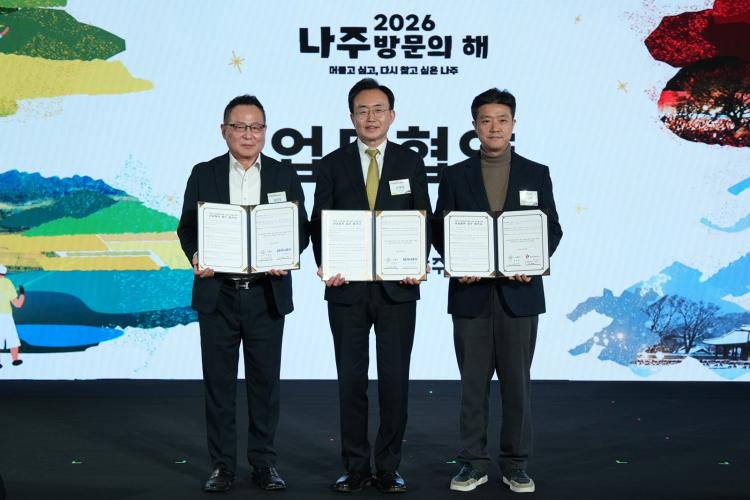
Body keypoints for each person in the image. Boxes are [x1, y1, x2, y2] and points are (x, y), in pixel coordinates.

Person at [177, 94, 309, 493]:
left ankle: (264, 464)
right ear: (224, 131)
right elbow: (187, 228)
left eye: (256, 127)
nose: (248, 134)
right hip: (218, 292)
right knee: (219, 386)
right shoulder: (204, 173)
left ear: (265, 131)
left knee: (264, 386)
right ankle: (222, 466)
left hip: (266, 293)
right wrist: (196, 255)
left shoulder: (284, 175)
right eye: (239, 126)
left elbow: (301, 229)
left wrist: (286, 254)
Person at [433, 88, 563, 494]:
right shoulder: (454, 175)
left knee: (517, 385)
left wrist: (532, 262)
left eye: (502, 120)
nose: (494, 127)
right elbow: (439, 228)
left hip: (519, 295)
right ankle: (473, 463)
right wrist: (458, 263)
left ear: (513, 124)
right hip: (470, 295)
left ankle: (516, 464)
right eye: (486, 120)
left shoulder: (536, 173)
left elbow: (552, 228)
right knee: (472, 386)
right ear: (474, 126)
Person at [310, 78, 431, 493]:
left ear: (392, 116)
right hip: (347, 289)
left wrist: (417, 263)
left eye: (379, 109)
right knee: (351, 381)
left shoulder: (411, 162)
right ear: (351, 117)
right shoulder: (332, 163)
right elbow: (319, 221)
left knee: (395, 381)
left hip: (398, 290)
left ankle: (388, 466)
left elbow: (423, 217)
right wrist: (327, 264)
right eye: (362, 110)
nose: (371, 117)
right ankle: (356, 466)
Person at [0, 264, 25, 369]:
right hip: (6, 316)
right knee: (12, 338)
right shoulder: (7, 283)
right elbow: (18, 304)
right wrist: (22, 294)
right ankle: (15, 360)